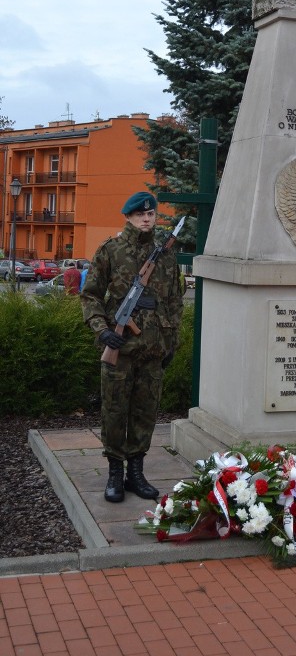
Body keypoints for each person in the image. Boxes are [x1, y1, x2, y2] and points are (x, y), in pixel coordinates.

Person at [81, 191, 184, 503]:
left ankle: (136, 472)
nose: (147, 219)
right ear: (128, 216)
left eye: (151, 214)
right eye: (140, 214)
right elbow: (91, 295)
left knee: (145, 413)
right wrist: (102, 331)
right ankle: (115, 472)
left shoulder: (165, 255)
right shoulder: (110, 251)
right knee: (114, 411)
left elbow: (175, 302)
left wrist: (171, 344)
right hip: (121, 349)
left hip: (153, 350)